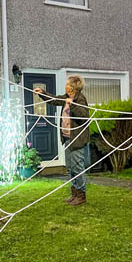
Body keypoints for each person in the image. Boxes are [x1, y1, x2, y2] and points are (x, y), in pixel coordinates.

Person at [34, 76, 90, 206]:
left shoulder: (80, 99)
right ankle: (74, 193)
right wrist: (42, 93)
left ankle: (81, 195)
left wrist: (73, 105)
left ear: (73, 87)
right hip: (67, 138)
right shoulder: (66, 97)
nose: (65, 85)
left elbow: (84, 117)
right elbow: (54, 100)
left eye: (67, 84)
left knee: (78, 167)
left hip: (77, 139)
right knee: (71, 168)